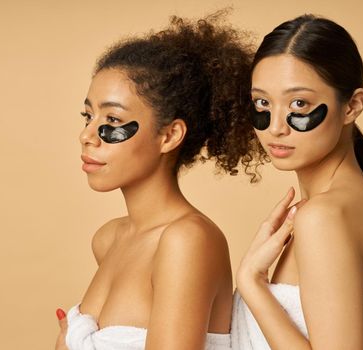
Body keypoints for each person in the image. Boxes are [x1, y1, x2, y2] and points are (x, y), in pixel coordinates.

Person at [55, 12, 259, 350]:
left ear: (169, 135)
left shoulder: (188, 240)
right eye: (88, 116)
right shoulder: (108, 240)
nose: (87, 135)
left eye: (113, 120)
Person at [232, 14, 363, 350]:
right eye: (263, 102)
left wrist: (252, 285)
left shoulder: (324, 216)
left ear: (352, 105)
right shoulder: (348, 202)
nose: (275, 126)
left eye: (299, 104)